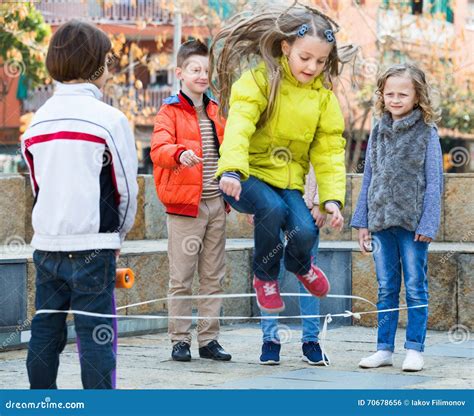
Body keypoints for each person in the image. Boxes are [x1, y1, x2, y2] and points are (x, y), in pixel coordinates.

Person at [210, 3, 356, 313]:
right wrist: (232, 170)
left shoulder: (323, 99)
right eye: (305, 58)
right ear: (286, 47)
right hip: (246, 175)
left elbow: (329, 151)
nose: (312, 67)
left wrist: (331, 199)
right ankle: (264, 277)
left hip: (287, 180)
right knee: (271, 208)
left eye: (320, 60)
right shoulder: (260, 81)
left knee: (304, 229)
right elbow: (238, 126)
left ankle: (301, 266)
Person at [22, 20, 138, 389]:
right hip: (93, 245)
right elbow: (126, 190)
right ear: (98, 64)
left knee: (45, 327)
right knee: (96, 332)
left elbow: (37, 187)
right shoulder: (110, 120)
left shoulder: (35, 124)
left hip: (47, 244)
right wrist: (116, 236)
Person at [351, 63, 443, 372]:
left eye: (403, 94)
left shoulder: (426, 132)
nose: (395, 99)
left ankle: (415, 348)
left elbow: (434, 181)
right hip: (380, 223)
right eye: (389, 93)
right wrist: (362, 222)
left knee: (415, 285)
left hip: (413, 224)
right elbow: (369, 177)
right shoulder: (378, 128)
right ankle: (384, 348)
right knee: (386, 286)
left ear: (417, 96)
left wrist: (429, 222)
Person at [150, 40, 231, 362]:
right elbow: (157, 149)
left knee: (214, 277)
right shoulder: (168, 111)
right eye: (195, 69)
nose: (202, 75)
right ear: (180, 72)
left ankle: (209, 340)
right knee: (181, 278)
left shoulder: (217, 109)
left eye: (206, 70)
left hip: (216, 205)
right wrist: (178, 153)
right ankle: (179, 340)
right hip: (185, 208)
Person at [259, 166, 330, 365]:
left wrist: (320, 203)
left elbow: (325, 161)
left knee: (308, 277)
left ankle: (311, 342)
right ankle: (270, 341)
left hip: (306, 210)